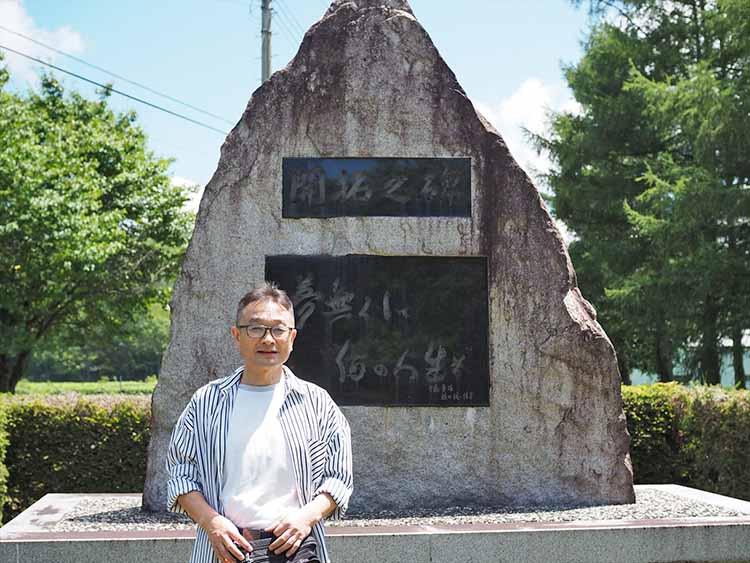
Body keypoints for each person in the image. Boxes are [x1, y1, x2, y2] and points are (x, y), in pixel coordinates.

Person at [166, 282, 353, 563]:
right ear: (236, 336)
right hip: (226, 551)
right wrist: (212, 523)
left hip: (296, 550)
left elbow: (339, 478)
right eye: (256, 328)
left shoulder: (317, 403)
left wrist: (305, 518)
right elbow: (180, 475)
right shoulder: (206, 402)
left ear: (292, 337)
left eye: (278, 329)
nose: (268, 339)